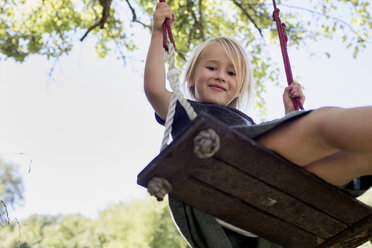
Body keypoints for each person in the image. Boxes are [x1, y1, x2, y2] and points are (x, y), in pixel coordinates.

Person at [144, 2, 372, 247]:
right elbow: (154, 89)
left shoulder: (248, 123)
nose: (221, 75)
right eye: (211, 67)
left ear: (240, 87)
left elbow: (279, 155)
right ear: (190, 77)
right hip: (218, 186)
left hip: (269, 197)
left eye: (232, 73)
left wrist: (289, 115)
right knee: (321, 125)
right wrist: (158, 32)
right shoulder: (183, 110)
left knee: (346, 164)